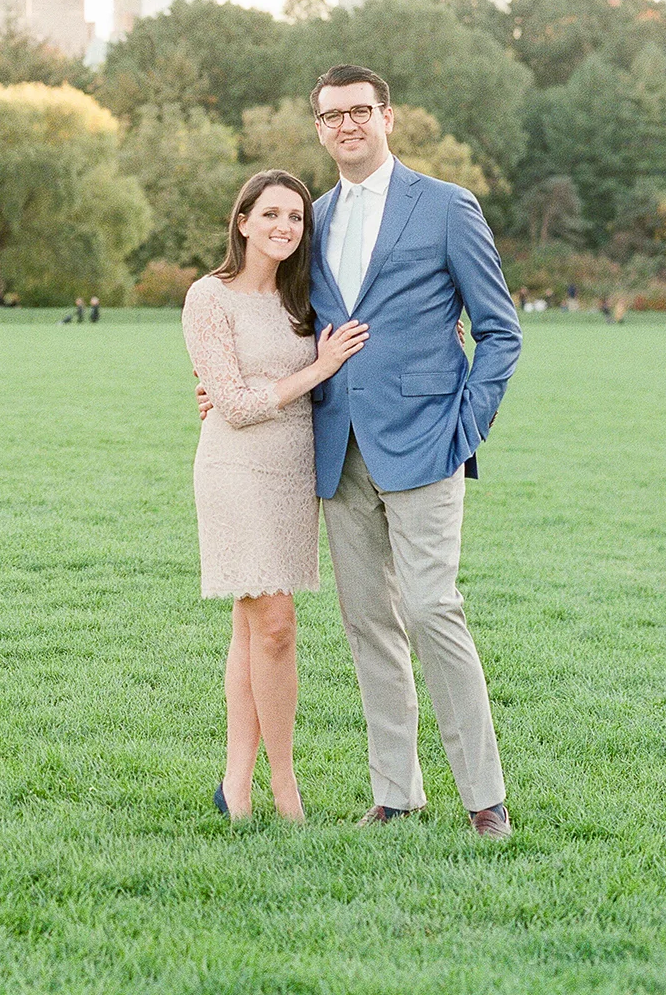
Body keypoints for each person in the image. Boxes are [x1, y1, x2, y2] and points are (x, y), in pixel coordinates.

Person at [206, 65, 521, 838]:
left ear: (387, 115)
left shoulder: (446, 206)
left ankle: (484, 798)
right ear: (318, 128)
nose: (346, 124)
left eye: (359, 111)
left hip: (426, 445)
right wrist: (218, 383)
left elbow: (500, 330)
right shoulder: (308, 221)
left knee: (430, 607)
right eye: (331, 115)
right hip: (335, 447)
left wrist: (466, 424)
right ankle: (396, 794)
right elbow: (275, 324)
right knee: (366, 623)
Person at [186, 169, 368, 824]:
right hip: (236, 470)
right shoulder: (209, 296)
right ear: (242, 222)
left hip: (294, 473)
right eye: (270, 215)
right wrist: (318, 368)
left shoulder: (305, 301)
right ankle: (284, 788)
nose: (284, 227)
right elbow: (232, 405)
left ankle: (236, 786)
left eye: (295, 217)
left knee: (254, 627)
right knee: (277, 625)